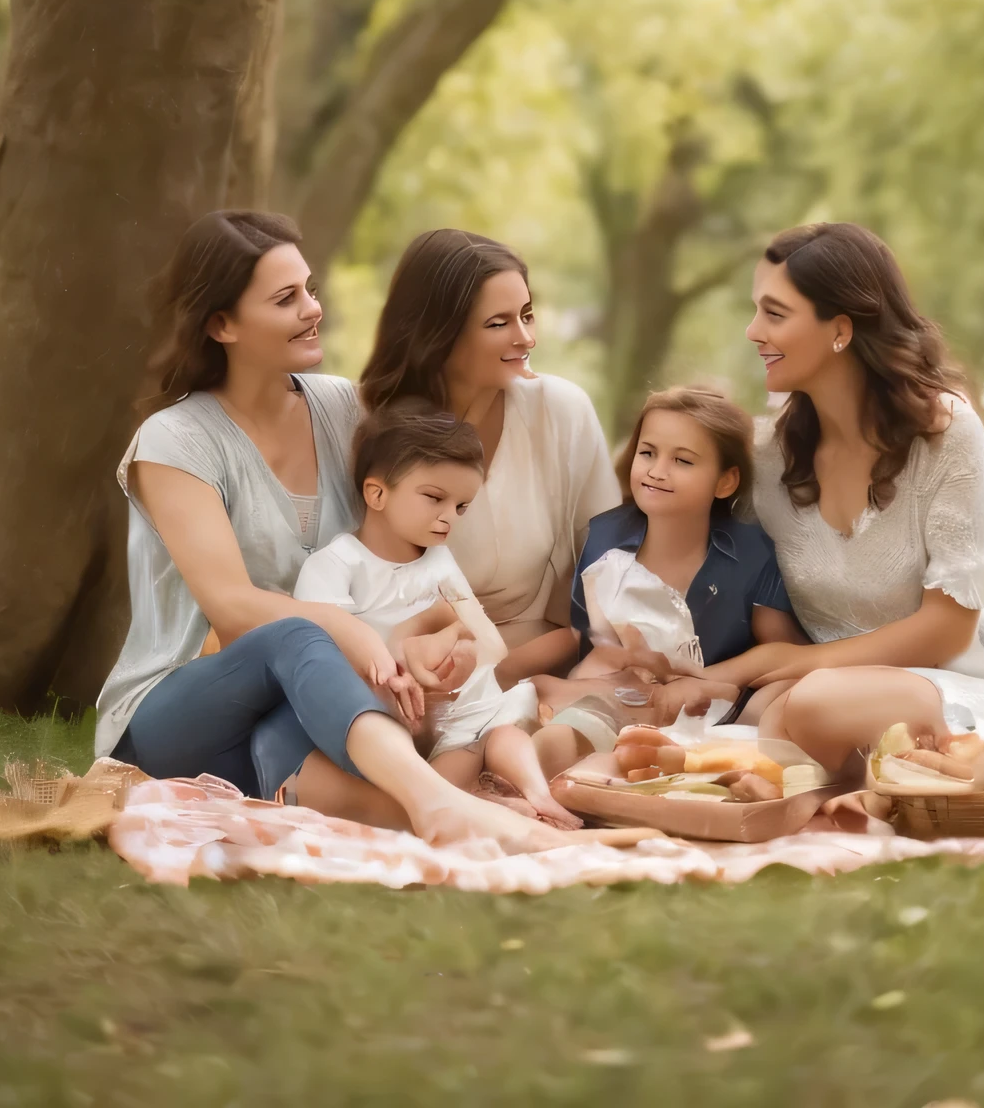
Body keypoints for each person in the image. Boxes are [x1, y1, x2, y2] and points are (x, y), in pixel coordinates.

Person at [93, 210, 558, 851]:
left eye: (309, 288)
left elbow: (408, 541)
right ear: (222, 325)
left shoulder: (343, 408)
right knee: (295, 635)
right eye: (286, 299)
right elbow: (230, 608)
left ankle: (485, 823)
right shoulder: (173, 442)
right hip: (182, 708)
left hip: (307, 704)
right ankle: (442, 804)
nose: (314, 309)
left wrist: (438, 640)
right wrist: (349, 629)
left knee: (297, 744)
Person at [660, 223, 984, 772]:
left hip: (963, 674)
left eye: (775, 314)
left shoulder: (946, 434)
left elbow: (949, 627)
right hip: (830, 688)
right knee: (767, 715)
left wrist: (800, 662)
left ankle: (979, 760)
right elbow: (703, 552)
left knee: (804, 707)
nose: (753, 331)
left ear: (841, 330)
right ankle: (885, 780)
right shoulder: (767, 455)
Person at [295, 407, 578, 828]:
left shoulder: (440, 561)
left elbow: (481, 637)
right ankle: (498, 808)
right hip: (391, 726)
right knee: (434, 789)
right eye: (435, 498)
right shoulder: (336, 566)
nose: (450, 516)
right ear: (377, 494)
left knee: (500, 735)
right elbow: (322, 660)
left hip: (463, 715)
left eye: (462, 506)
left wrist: (455, 647)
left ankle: (537, 796)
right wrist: (416, 642)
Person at [359, 229, 619, 680]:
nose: (525, 338)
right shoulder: (369, 425)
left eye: (527, 315)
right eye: (498, 324)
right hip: (410, 672)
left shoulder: (559, 409)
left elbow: (610, 568)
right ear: (437, 333)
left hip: (547, 663)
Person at [535, 383, 805, 768]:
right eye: (648, 453)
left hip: (713, 707)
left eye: (683, 461)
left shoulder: (750, 554)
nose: (657, 471)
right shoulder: (603, 538)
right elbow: (580, 635)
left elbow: (782, 652)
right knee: (564, 705)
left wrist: (704, 681)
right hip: (614, 697)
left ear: (725, 481)